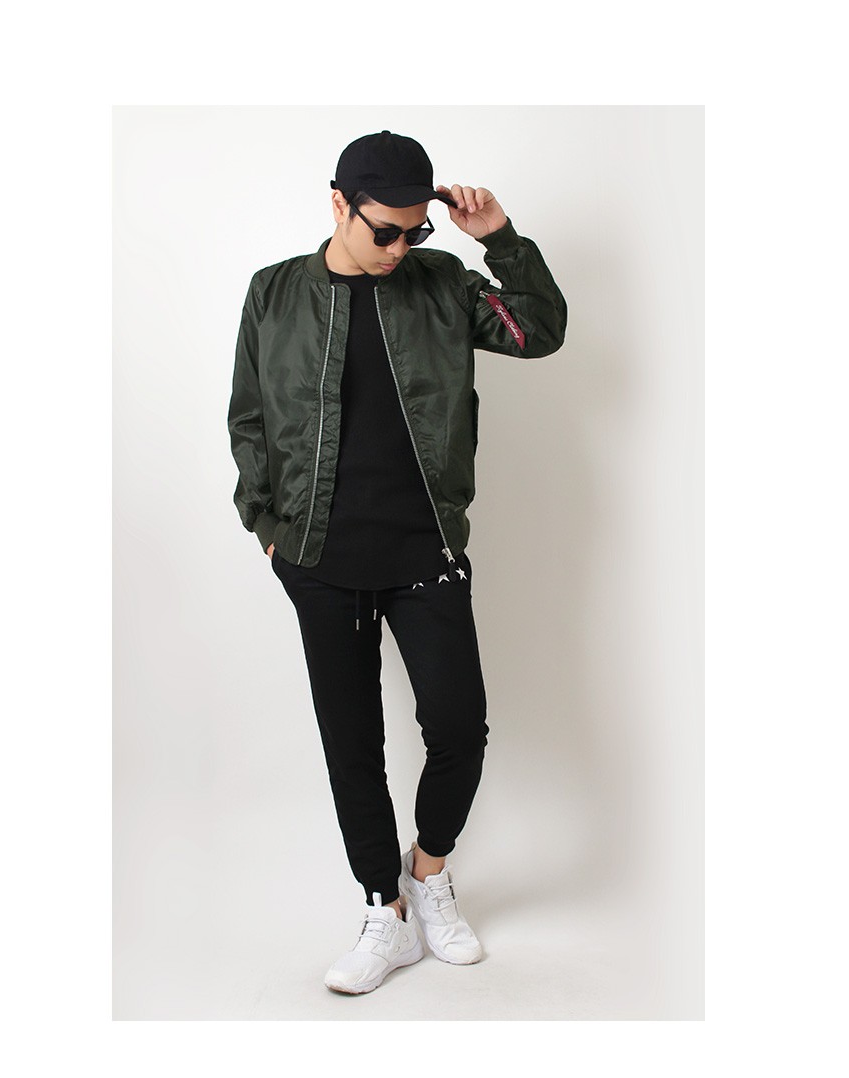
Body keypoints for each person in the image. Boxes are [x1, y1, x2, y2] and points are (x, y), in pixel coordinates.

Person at [227, 130, 567, 994]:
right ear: (339, 203)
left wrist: (498, 239)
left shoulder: (443, 284)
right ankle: (386, 910)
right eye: (386, 230)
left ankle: (429, 874)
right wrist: (267, 528)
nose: (400, 248)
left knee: (458, 728)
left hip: (425, 552)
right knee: (354, 748)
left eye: (417, 232)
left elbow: (538, 331)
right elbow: (250, 419)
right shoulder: (274, 292)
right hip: (319, 559)